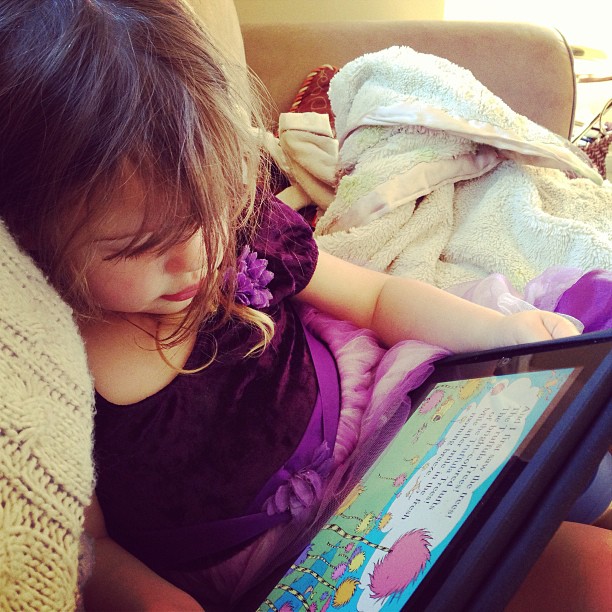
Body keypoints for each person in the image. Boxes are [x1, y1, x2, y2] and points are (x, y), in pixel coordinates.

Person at [0, 1, 609, 610]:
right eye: (140, 248)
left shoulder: (244, 232)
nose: (198, 260)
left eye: (209, 214)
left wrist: (499, 329)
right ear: (34, 239)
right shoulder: (53, 364)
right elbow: (91, 544)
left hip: (381, 430)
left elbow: (374, 297)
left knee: (577, 489)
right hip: (283, 571)